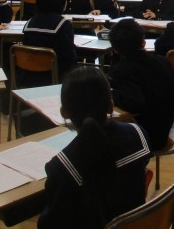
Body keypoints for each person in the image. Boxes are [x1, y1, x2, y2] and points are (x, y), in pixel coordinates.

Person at [38, 66, 151, 229]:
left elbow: (50, 224)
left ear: (64, 113)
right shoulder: (138, 134)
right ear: (111, 105)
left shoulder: (61, 168)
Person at [108, 19, 174, 150]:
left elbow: (135, 104)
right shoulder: (164, 61)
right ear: (143, 42)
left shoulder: (121, 70)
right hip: (164, 129)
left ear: (115, 50)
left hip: (143, 137)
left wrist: (112, 94)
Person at [22, 0, 78, 86]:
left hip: (29, 78)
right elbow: (70, 58)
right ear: (61, 2)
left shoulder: (29, 23)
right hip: (55, 79)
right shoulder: (63, 24)